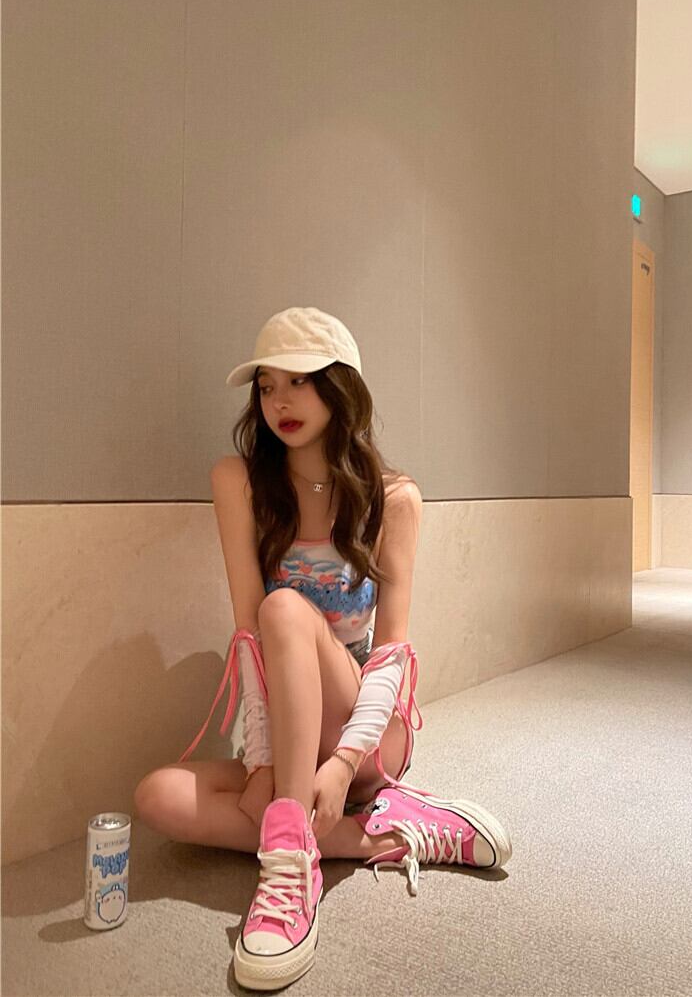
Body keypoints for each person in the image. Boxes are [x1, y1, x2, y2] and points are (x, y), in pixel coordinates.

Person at [133, 306, 513, 991]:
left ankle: (290, 868)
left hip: (366, 733)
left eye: (299, 381)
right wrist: (264, 760)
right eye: (267, 386)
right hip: (290, 734)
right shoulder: (241, 482)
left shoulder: (393, 498)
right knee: (157, 796)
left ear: (340, 388)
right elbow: (248, 640)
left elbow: (391, 655)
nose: (280, 401)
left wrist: (340, 766)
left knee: (284, 607)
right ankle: (385, 835)